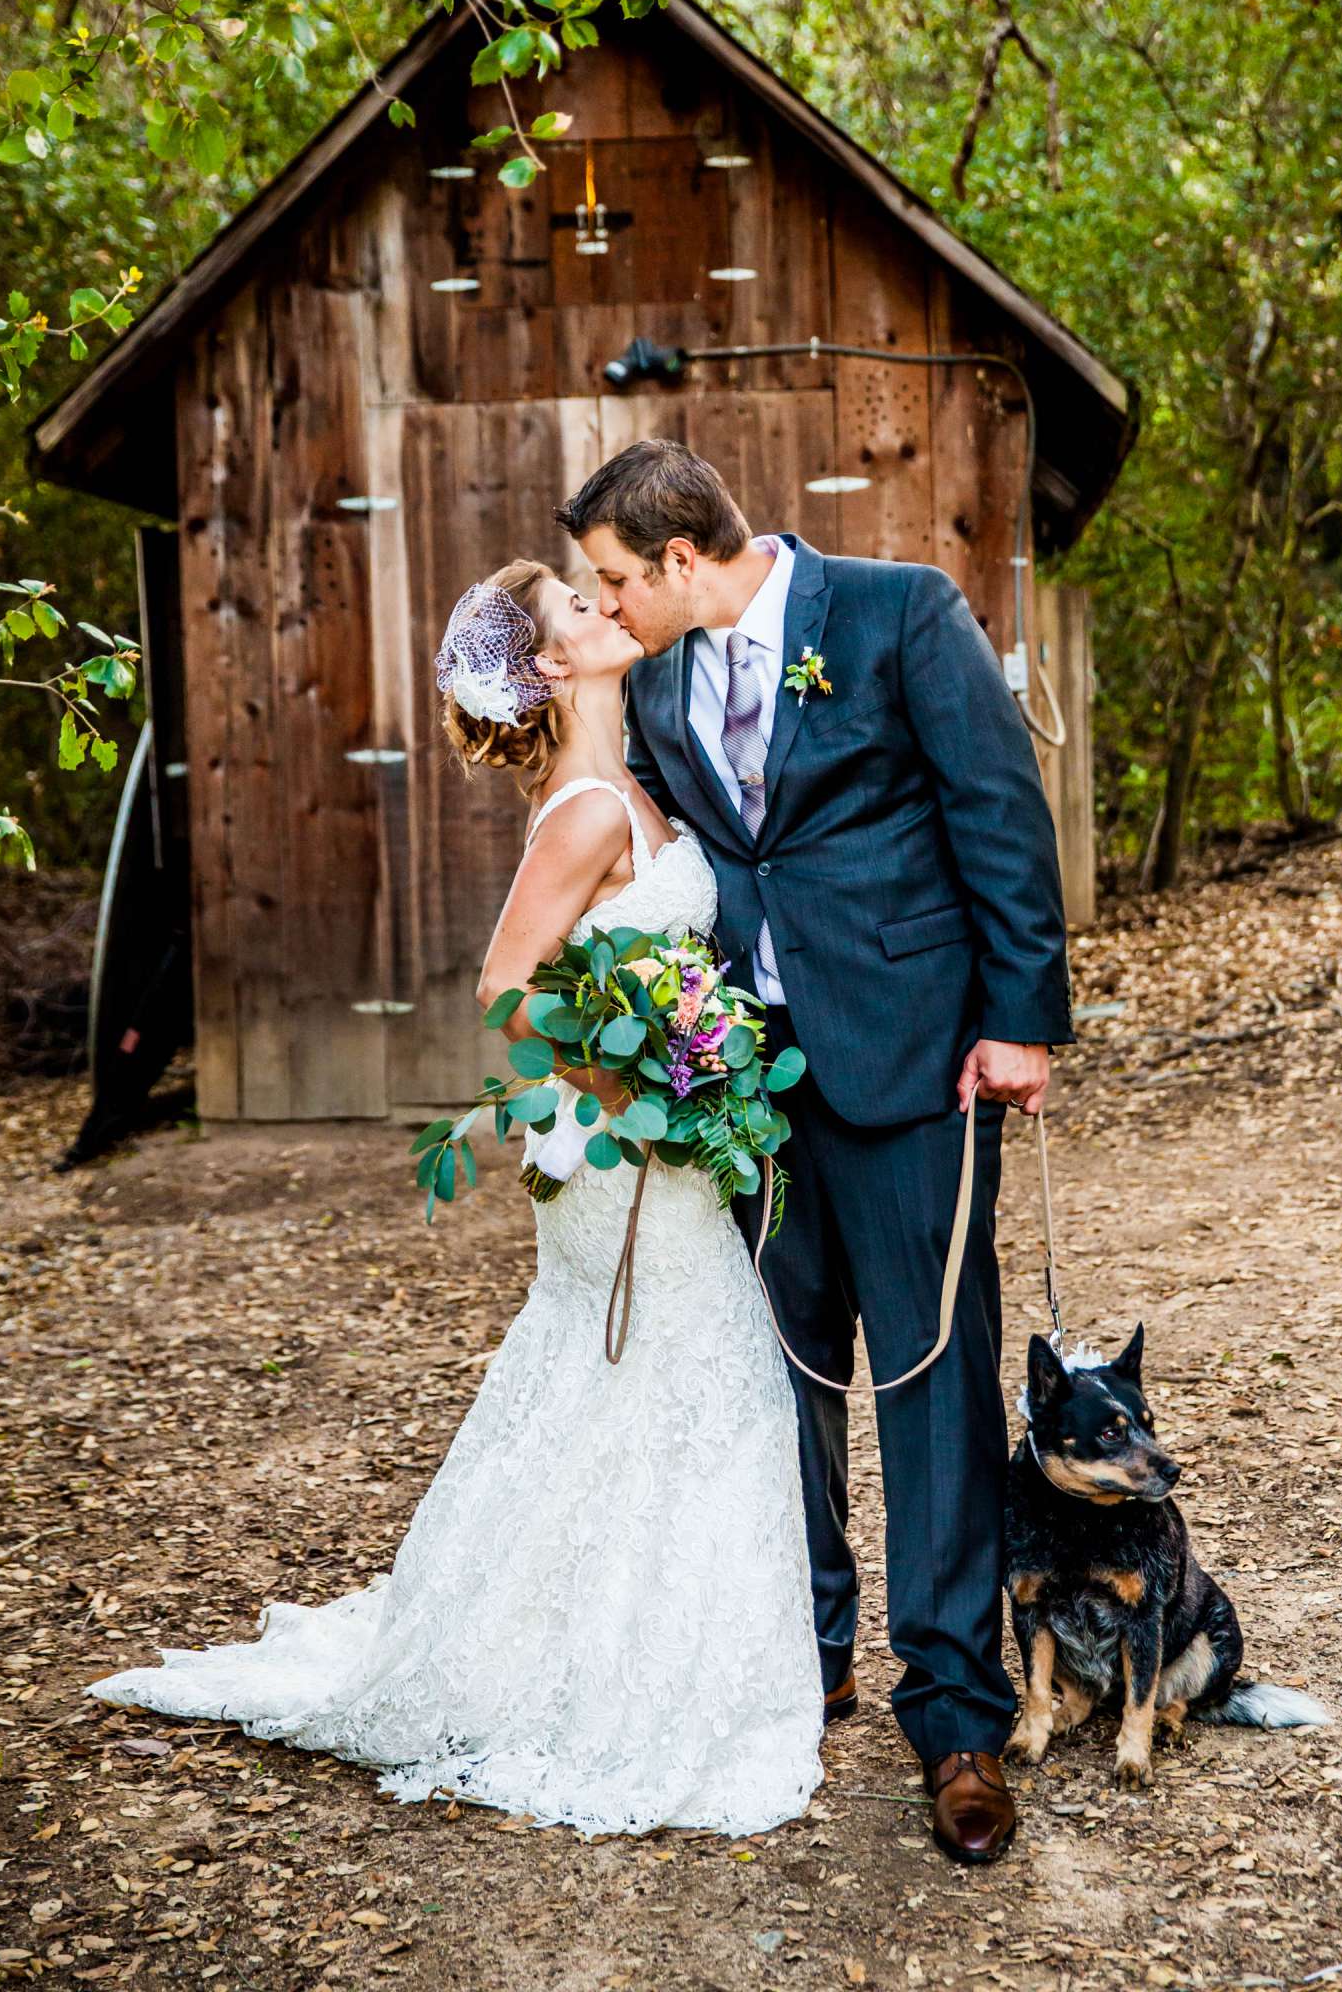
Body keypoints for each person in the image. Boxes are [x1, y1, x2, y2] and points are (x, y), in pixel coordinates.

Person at [88, 559, 824, 1839]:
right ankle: (591, 1667)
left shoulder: (632, 784)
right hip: (612, 1152)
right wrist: (639, 1066)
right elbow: (501, 990)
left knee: (668, 1377)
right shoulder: (585, 813)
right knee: (650, 1366)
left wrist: (696, 1061)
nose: (609, 609)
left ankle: (653, 1644)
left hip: (660, 1150)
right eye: (584, 610)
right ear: (550, 665)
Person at [559, 441, 1073, 1866]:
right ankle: (804, 1660)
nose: (611, 607)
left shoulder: (900, 612)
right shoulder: (658, 681)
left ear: (678, 559)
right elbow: (666, 864)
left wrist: (1021, 1021)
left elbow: (997, 809)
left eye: (618, 581)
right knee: (772, 1382)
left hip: (914, 1065)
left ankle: (958, 1715)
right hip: (747, 1091)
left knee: (931, 1385)